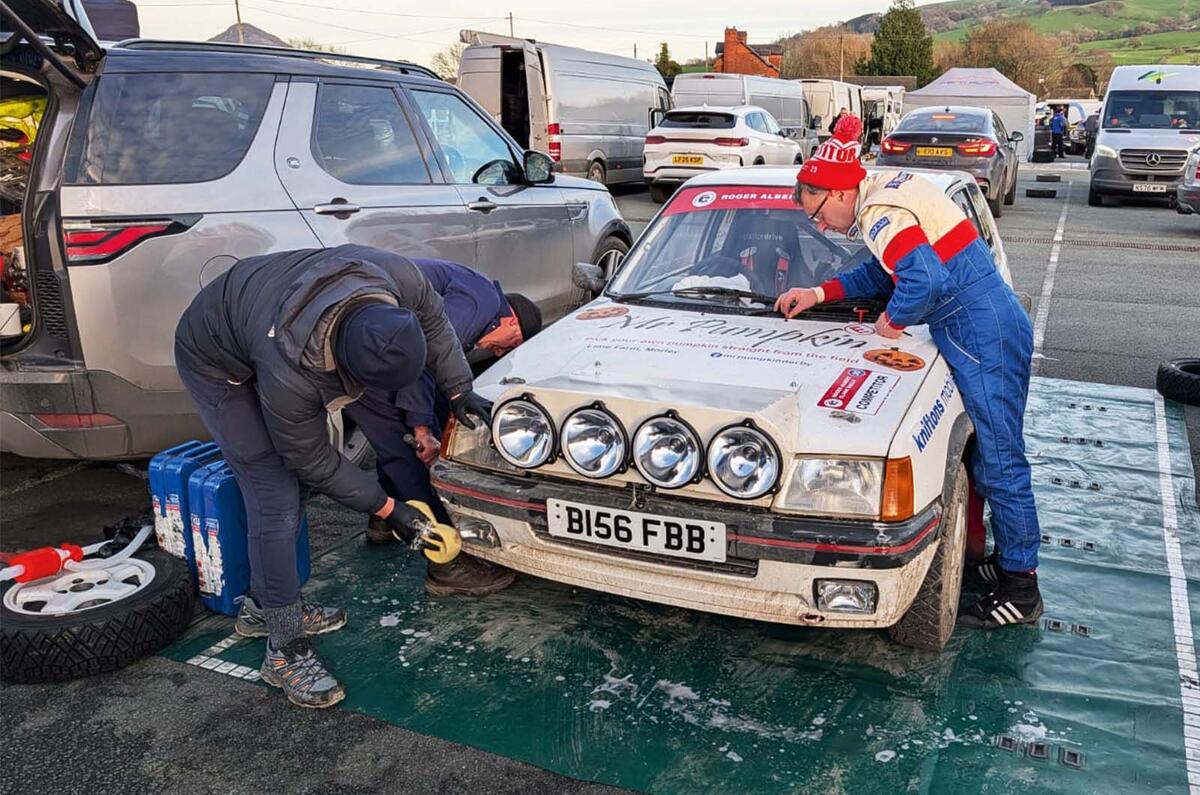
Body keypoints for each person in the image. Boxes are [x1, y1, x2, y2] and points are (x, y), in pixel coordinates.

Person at [174, 245, 493, 708]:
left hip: (257, 311)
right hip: (216, 360)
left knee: (289, 489)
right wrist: (388, 507)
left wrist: (460, 389)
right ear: (344, 368)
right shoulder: (293, 372)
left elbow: (436, 325)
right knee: (276, 493)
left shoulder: (399, 277)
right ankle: (283, 649)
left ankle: (267, 607)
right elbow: (313, 460)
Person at [777, 116, 1043, 630]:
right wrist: (819, 294)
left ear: (836, 192)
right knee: (992, 458)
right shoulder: (887, 189)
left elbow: (921, 278)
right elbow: (884, 268)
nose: (822, 228)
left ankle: (1022, 589)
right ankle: (1006, 560)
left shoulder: (878, 212)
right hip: (987, 324)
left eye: (818, 214)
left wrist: (892, 320)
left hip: (979, 332)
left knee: (1003, 463)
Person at [347, 258, 543, 597]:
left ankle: (384, 515)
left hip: (362, 325)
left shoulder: (472, 289)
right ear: (511, 318)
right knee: (407, 449)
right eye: (511, 342)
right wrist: (421, 428)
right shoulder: (481, 302)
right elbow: (414, 354)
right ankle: (447, 562)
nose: (501, 351)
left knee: (422, 418)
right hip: (365, 340)